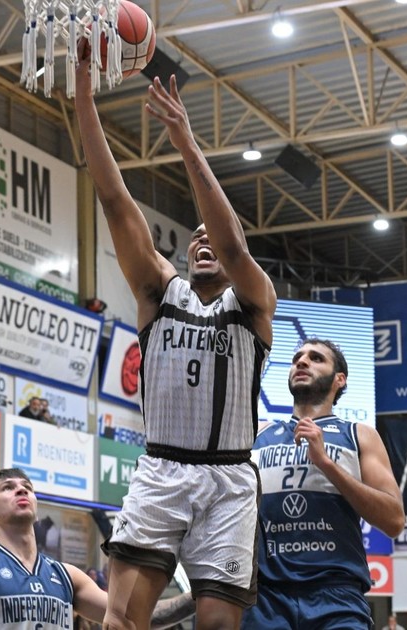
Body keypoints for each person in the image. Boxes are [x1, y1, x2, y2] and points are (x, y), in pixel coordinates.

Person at [76, 54, 278, 630]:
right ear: (187, 254)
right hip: (162, 471)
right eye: (197, 238)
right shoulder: (159, 292)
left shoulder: (254, 302)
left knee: (216, 624)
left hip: (229, 479)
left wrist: (185, 141)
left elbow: (235, 248)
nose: (206, 241)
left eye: (215, 234)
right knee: (121, 620)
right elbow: (115, 200)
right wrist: (84, 98)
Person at [245, 339, 405, 628]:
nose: (302, 362)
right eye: (297, 358)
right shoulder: (258, 434)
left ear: (339, 379)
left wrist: (326, 464)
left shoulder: (359, 435)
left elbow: (394, 520)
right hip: (265, 597)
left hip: (336, 595)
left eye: (316, 358)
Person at [0, 468, 193, 630]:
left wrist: (202, 593)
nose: (21, 490)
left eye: (27, 488)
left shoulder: (67, 575)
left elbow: (135, 616)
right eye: (8, 488)